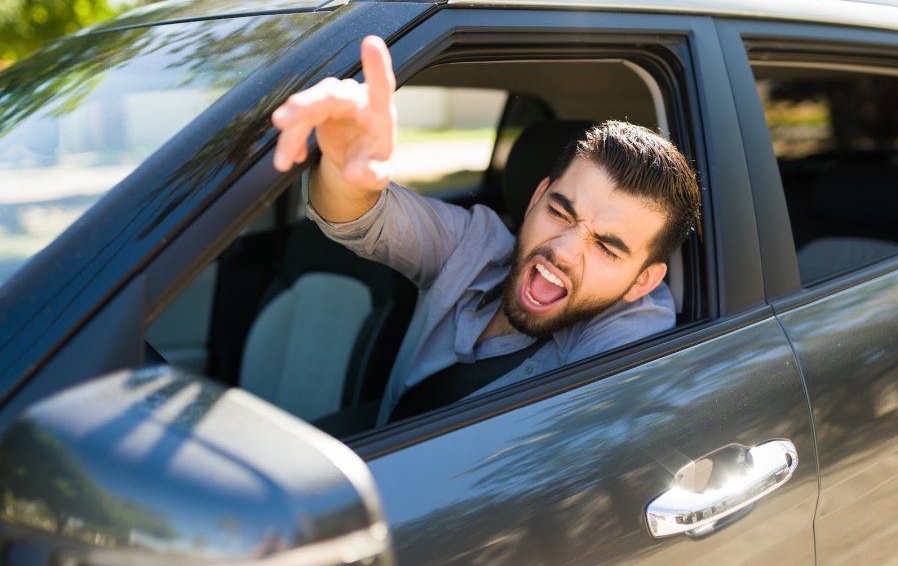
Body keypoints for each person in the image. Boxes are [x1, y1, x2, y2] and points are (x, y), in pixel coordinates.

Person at [272, 36, 700, 424]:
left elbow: (626, 409)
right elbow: (363, 218)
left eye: (607, 247)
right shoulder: (474, 246)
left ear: (642, 281)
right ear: (537, 198)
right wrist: (346, 174)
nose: (564, 251)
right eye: (560, 213)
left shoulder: (625, 336)